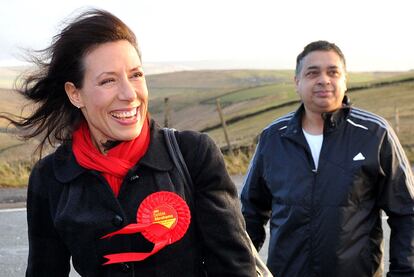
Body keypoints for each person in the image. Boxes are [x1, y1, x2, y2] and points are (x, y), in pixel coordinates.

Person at [1, 9, 257, 276]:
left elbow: (234, 267)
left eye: (136, 75)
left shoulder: (193, 155)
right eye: (108, 80)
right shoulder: (50, 177)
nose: (129, 94)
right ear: (75, 94)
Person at [241, 40, 414, 277]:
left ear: (345, 80)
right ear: (297, 82)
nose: (324, 79)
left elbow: (406, 211)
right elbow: (250, 212)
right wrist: (240, 267)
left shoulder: (375, 134)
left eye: (333, 72)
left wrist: (404, 273)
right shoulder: (273, 138)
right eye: (312, 73)